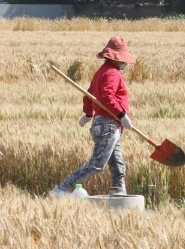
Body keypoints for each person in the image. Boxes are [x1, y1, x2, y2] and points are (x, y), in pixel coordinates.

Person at [49, 36, 135, 198]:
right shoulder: (112, 74)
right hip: (109, 125)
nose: (125, 63)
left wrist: (88, 114)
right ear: (117, 59)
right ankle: (61, 189)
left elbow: (89, 95)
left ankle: (119, 190)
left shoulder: (101, 72)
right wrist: (121, 114)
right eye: (123, 60)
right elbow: (107, 96)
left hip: (102, 124)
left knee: (117, 163)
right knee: (97, 164)